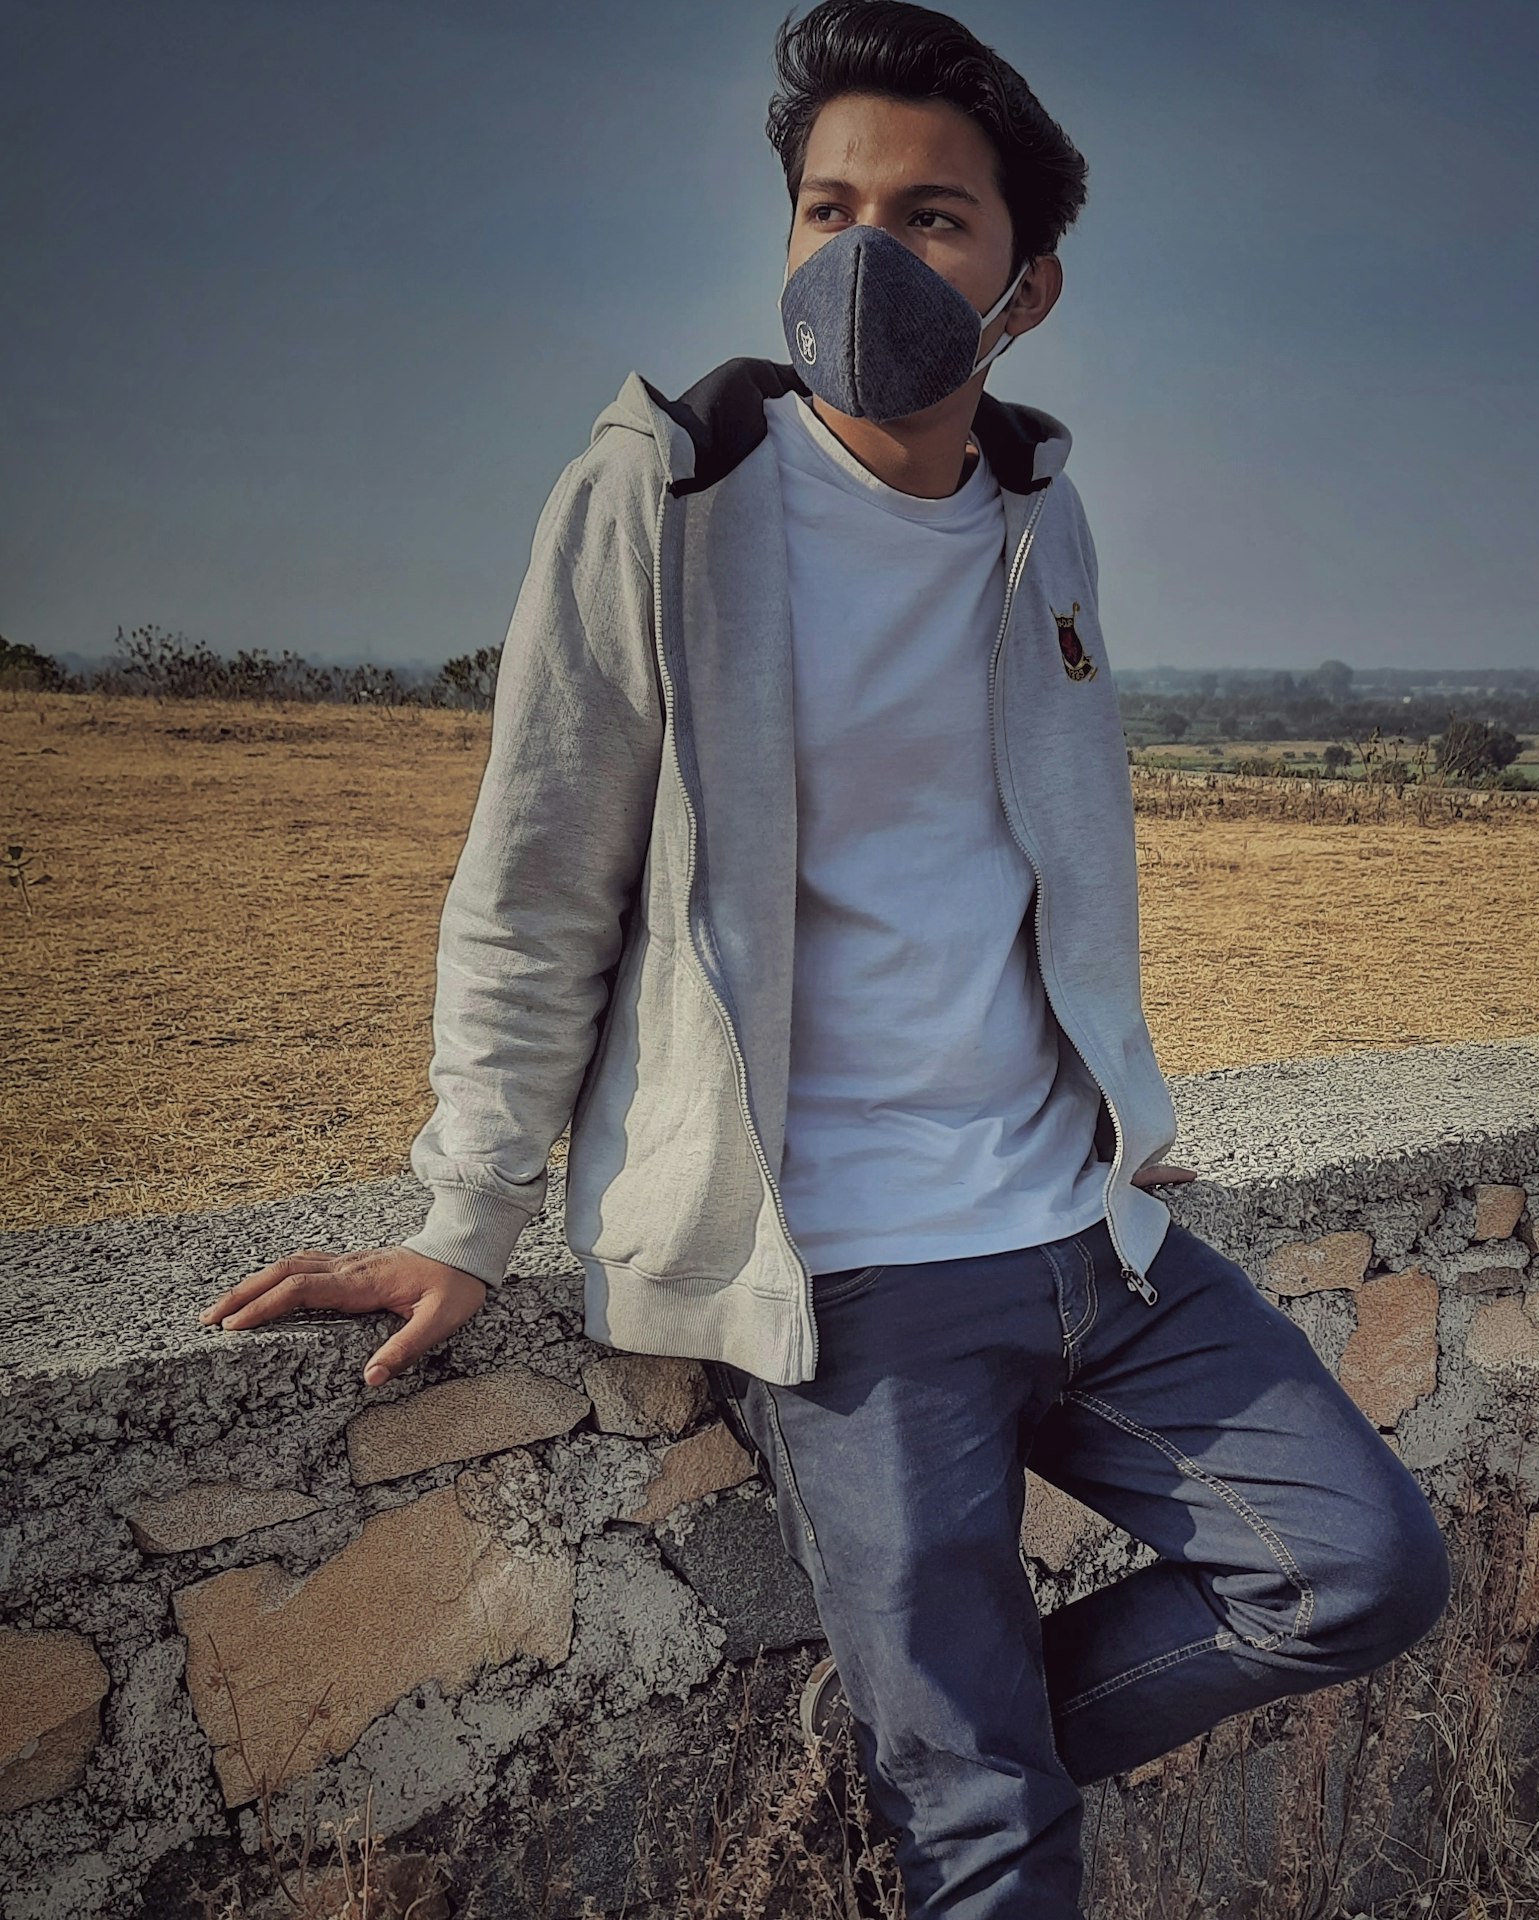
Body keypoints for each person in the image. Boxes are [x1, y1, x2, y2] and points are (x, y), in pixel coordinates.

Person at [197, 4, 1451, 1912]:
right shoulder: (666, 498)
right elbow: (536, 882)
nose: (866, 256)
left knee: (1361, 1568)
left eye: (931, 218)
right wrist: (467, 1215)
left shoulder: (1042, 514)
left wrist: (1115, 1109)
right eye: (827, 208)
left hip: (1082, 1233)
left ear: (1026, 287)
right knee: (988, 1830)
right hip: (848, 1285)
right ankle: (961, 1794)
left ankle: (951, 1772)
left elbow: (1029, 860)